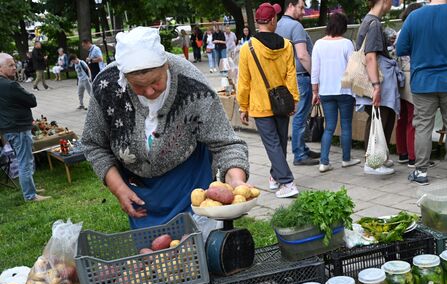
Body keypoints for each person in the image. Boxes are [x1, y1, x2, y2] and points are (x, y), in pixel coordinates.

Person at [81, 27, 249, 229]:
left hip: (191, 184)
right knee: (154, 255)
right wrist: (118, 188)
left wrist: (237, 182)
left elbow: (226, 144)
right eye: (138, 86)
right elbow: (93, 144)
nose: (149, 91)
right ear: (124, 77)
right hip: (141, 195)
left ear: (166, 65)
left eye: (155, 82)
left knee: (200, 249)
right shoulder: (107, 87)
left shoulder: (193, 85)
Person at [396, 0, 447, 185]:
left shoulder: (414, 17)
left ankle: (421, 171)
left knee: (423, 125)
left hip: (423, 81)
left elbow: (401, 49)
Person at [237, 3, 300, 198]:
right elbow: (291, 74)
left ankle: (286, 182)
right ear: (273, 20)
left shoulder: (247, 49)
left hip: (260, 105)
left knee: (273, 143)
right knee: (279, 142)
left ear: (257, 22)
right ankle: (277, 177)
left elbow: (244, 81)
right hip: (282, 102)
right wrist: (294, 98)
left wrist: (243, 106)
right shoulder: (287, 45)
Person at [355, 0, 402, 176]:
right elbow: (370, 57)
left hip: (375, 78)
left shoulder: (370, 21)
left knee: (381, 118)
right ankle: (373, 162)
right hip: (377, 79)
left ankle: (379, 157)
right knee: (378, 119)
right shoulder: (373, 23)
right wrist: (376, 86)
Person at [311, 13, 360, 173]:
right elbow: (353, 68)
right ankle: (346, 159)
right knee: (346, 125)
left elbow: (315, 70)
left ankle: (324, 162)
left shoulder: (318, 44)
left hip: (325, 91)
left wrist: (315, 91)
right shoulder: (347, 44)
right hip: (345, 90)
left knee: (329, 126)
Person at [0, 53, 50, 202]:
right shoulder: (10, 85)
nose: (15, 68)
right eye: (10, 65)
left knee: (24, 160)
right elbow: (32, 100)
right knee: (25, 162)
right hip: (18, 128)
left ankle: (31, 188)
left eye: (15, 64)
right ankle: (30, 195)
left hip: (9, 129)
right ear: (0, 68)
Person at [276, 0, 320, 166]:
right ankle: (300, 154)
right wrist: (315, 77)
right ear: (290, 6)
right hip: (301, 76)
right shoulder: (296, 27)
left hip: (288, 77)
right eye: (301, 8)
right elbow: (302, 55)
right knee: (300, 117)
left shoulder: (278, 25)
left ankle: (301, 148)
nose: (303, 12)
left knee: (298, 116)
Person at [395, 3, 423, 168]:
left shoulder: (400, 32)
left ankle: (403, 152)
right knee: (414, 118)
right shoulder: (414, 30)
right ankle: (414, 156)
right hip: (412, 76)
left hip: (400, 78)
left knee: (403, 117)